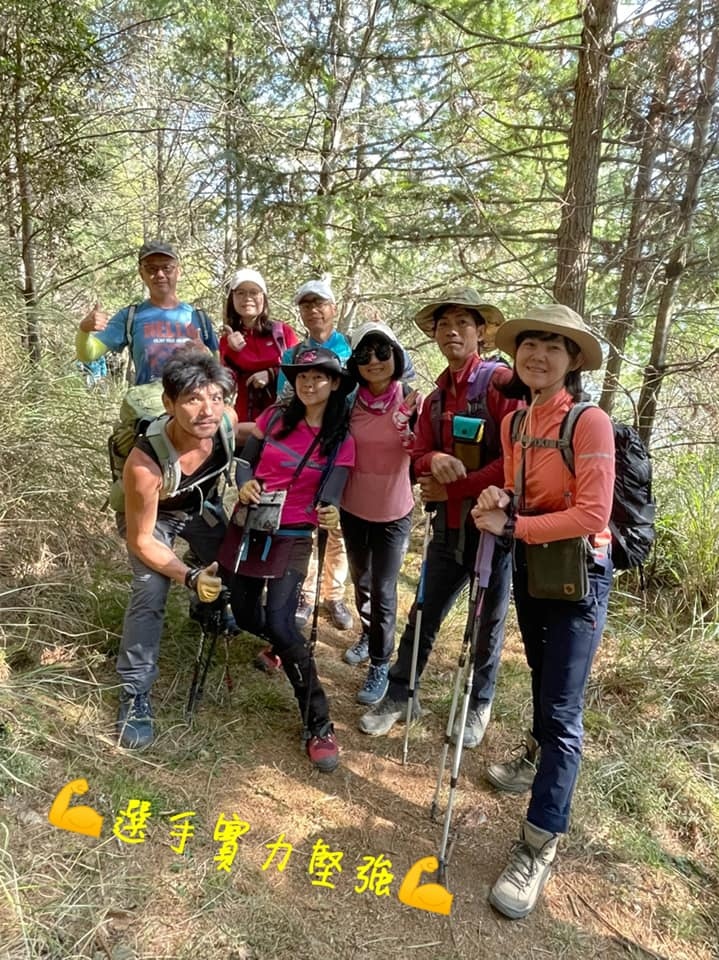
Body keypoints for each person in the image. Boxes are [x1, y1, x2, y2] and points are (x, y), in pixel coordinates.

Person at [472, 304, 614, 920]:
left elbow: (593, 515)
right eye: (530, 343)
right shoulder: (517, 422)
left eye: (555, 346)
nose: (539, 354)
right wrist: (499, 493)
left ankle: (538, 843)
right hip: (534, 569)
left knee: (562, 709)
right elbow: (515, 482)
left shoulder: (590, 423)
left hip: (578, 580)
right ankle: (533, 755)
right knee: (542, 677)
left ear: (574, 360)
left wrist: (515, 523)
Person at [359, 287, 520, 747]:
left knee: (487, 622)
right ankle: (401, 693)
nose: (452, 331)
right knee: (424, 612)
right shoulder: (433, 400)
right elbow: (418, 454)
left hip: (495, 531)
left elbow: (515, 463)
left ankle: (478, 704)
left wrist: (456, 482)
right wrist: (431, 463)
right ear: (434, 335)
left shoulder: (500, 385)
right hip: (448, 527)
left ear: (481, 333)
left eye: (463, 324)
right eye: (444, 324)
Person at [220, 346, 355, 773]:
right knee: (242, 615)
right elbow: (246, 461)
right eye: (301, 376)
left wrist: (330, 512)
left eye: (318, 376)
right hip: (248, 524)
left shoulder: (341, 440)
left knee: (278, 621)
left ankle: (319, 722)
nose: (308, 383)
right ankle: (287, 645)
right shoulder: (276, 418)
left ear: (334, 383)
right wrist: (245, 484)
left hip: (294, 534)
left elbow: (332, 493)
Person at [115, 347, 237, 749]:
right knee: (150, 591)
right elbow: (141, 539)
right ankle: (134, 692)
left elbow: (252, 434)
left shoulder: (225, 425)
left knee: (231, 552)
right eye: (192, 398)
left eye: (215, 397)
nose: (207, 410)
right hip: (153, 520)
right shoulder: (144, 463)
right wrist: (188, 576)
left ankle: (205, 607)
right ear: (169, 404)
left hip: (199, 508)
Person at [340, 321, 420, 705]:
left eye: (382, 351)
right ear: (355, 362)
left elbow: (425, 452)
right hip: (353, 508)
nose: (373, 360)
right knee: (362, 582)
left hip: (394, 512)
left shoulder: (413, 401)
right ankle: (366, 634)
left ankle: (379, 663)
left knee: (385, 591)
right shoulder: (348, 401)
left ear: (396, 355)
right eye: (364, 353)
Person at [277, 280, 355, 632]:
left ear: (333, 307)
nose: (313, 310)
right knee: (308, 517)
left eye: (319, 303)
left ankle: (333, 593)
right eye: (306, 304)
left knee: (337, 521)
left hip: (345, 442)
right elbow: (284, 400)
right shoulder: (294, 355)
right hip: (306, 446)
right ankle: (305, 591)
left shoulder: (351, 348)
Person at [76, 241, 218, 384]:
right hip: (147, 404)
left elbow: (222, 371)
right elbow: (88, 354)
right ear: (141, 273)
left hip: (191, 402)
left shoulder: (198, 318)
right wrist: (84, 330)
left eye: (167, 267)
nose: (160, 274)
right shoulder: (130, 317)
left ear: (178, 272)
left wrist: (205, 356)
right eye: (151, 268)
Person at [219, 268, 299, 423]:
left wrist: (271, 374)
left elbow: (299, 370)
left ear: (263, 297)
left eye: (254, 292)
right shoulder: (227, 340)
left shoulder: (282, 333)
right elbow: (225, 383)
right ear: (232, 299)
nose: (247, 298)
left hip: (282, 416)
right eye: (240, 293)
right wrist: (230, 351)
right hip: (243, 420)